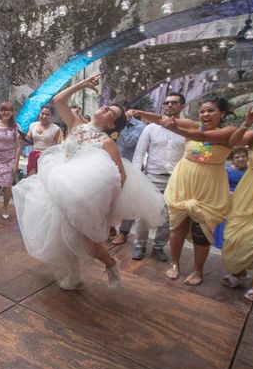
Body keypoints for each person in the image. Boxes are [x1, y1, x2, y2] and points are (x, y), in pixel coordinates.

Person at [13, 75, 165, 290]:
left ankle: (111, 264)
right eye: (107, 106)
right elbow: (58, 100)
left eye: (110, 112)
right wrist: (82, 85)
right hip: (56, 184)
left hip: (83, 196)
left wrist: (106, 204)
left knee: (85, 240)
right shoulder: (76, 124)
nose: (105, 108)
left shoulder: (106, 142)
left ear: (111, 123)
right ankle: (71, 274)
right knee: (61, 234)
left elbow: (120, 175)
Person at [136, 98, 236, 286]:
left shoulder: (228, 132)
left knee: (202, 232)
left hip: (209, 187)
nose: (205, 114)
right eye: (202, 111)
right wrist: (140, 113)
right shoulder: (193, 125)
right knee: (177, 226)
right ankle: (175, 264)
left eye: (211, 111)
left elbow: (202, 137)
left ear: (222, 113)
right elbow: (162, 118)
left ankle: (198, 271)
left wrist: (172, 127)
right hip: (184, 183)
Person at [130, 92, 186, 261]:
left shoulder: (185, 129)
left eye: (174, 103)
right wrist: (136, 176)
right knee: (143, 213)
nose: (169, 105)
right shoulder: (150, 128)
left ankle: (159, 246)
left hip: (176, 179)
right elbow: (140, 153)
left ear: (181, 106)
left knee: (169, 216)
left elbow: (188, 153)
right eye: (166, 103)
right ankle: (140, 245)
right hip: (152, 176)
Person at [221, 108, 253, 302]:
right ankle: (239, 272)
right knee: (238, 235)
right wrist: (247, 122)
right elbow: (233, 143)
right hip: (247, 194)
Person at [111, 108, 146, 245]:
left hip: (130, 167)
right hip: (112, 165)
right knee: (110, 198)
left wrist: (123, 125)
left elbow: (130, 142)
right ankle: (110, 228)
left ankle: (123, 233)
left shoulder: (140, 126)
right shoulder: (111, 124)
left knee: (128, 202)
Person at [212, 146, 248, 248]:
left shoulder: (251, 171)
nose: (241, 159)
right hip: (228, 198)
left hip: (245, 199)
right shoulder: (227, 170)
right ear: (232, 159)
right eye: (237, 157)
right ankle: (223, 242)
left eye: (243, 156)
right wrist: (227, 192)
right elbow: (219, 185)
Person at [25, 105, 61, 176]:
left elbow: (58, 146)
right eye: (42, 113)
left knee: (44, 179)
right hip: (34, 156)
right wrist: (21, 136)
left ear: (51, 116)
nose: (44, 116)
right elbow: (28, 138)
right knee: (31, 178)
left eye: (47, 115)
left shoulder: (56, 128)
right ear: (39, 113)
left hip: (48, 157)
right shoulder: (32, 125)